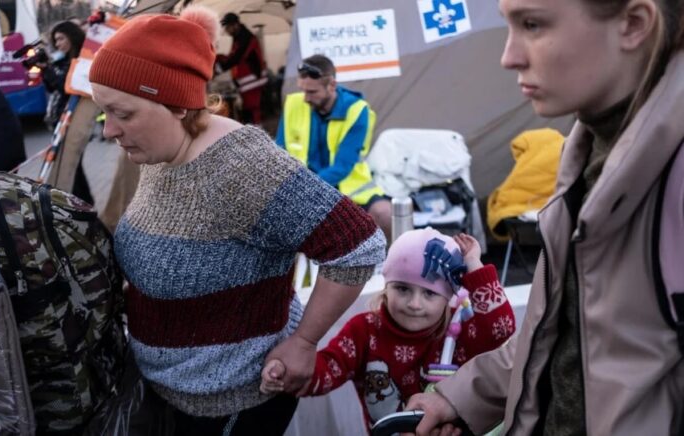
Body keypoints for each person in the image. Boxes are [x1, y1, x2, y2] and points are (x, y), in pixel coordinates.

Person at [88, 6, 386, 436]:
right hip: (171, 394)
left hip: (230, 405)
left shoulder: (242, 167)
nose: (109, 131)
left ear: (174, 104)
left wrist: (303, 342)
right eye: (103, 114)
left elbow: (358, 247)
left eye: (123, 113)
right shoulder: (160, 152)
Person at [405, 0, 684, 435]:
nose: (508, 56)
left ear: (633, 24)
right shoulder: (591, 149)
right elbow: (564, 332)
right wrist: (461, 397)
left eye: (532, 24)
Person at [261, 229, 515, 430]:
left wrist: (474, 265)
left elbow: (501, 328)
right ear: (386, 286)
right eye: (402, 289)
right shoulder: (364, 330)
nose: (414, 304)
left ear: (449, 297)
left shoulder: (458, 333)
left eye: (429, 293)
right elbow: (327, 369)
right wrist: (288, 373)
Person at [276, 54, 393, 242]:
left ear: (331, 85)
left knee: (386, 214)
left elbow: (342, 166)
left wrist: (307, 190)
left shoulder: (357, 110)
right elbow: (279, 153)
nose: (305, 98)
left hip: (349, 190)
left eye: (312, 92)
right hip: (303, 190)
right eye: (302, 90)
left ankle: (388, 268)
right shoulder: (294, 104)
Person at [40, 20, 93, 204]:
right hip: (60, 121)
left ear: (72, 37)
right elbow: (52, 86)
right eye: (55, 40)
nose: (58, 44)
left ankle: (85, 205)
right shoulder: (62, 60)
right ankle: (85, 204)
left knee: (72, 167)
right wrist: (44, 70)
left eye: (61, 38)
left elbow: (65, 86)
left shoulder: (80, 62)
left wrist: (47, 70)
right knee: (73, 168)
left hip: (72, 121)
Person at [215, 12, 266, 125]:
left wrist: (220, 68)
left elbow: (237, 57)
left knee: (252, 108)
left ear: (236, 25)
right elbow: (234, 56)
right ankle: (254, 131)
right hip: (248, 79)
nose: (227, 31)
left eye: (228, 27)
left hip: (252, 79)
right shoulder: (239, 37)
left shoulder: (246, 37)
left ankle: (257, 133)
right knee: (248, 108)